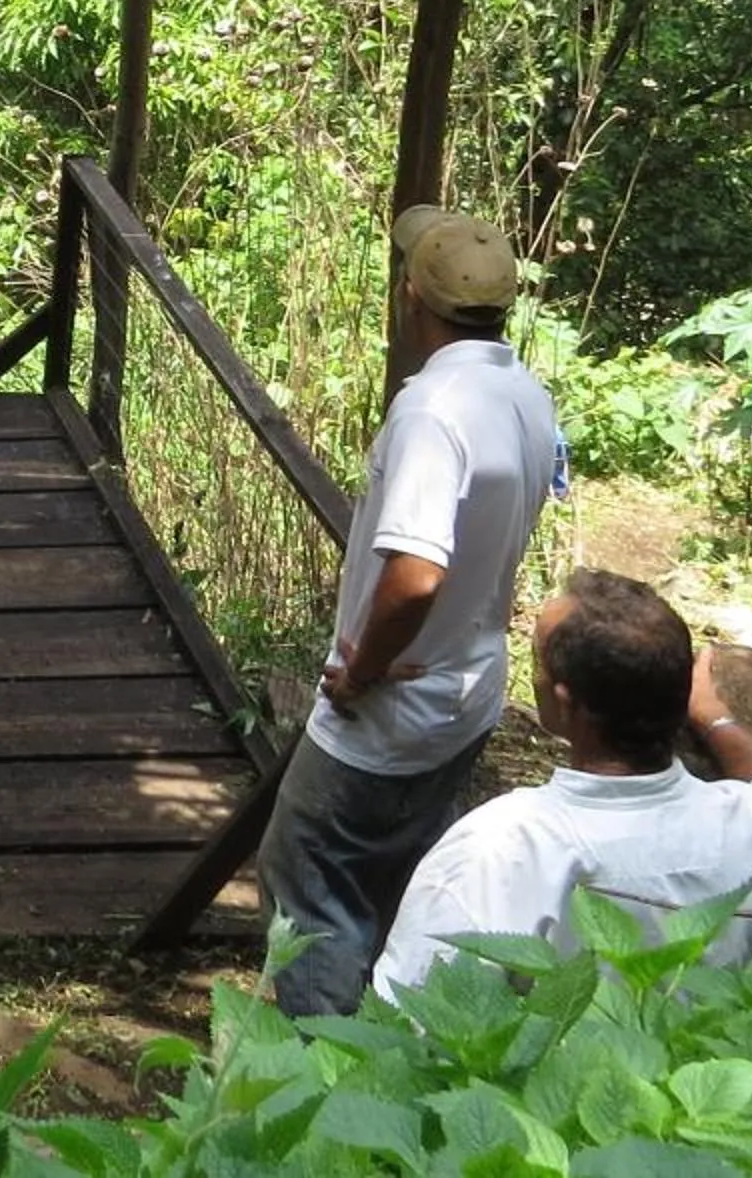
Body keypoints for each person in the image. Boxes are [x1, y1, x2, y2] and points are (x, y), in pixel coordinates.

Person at [258, 204, 566, 1016]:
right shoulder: (523, 393)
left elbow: (417, 571)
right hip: (467, 689)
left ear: (410, 295)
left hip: (392, 705)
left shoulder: (434, 411)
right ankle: (395, 1051)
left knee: (308, 889)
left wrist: (358, 671)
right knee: (396, 881)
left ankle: (318, 1082)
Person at [372, 572, 752, 996]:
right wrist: (714, 717)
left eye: (536, 658)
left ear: (564, 702)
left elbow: (411, 1013)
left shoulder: (501, 847)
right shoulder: (750, 826)